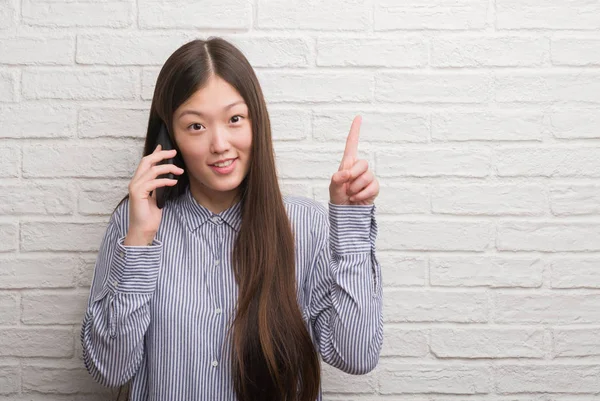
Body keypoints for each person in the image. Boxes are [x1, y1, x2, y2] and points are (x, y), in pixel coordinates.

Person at [80, 37, 383, 401]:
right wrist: (140, 239)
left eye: (235, 119)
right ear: (168, 135)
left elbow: (356, 355)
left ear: (257, 122)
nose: (220, 143)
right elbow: (108, 368)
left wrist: (349, 227)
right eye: (196, 126)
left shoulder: (307, 225)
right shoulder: (135, 225)